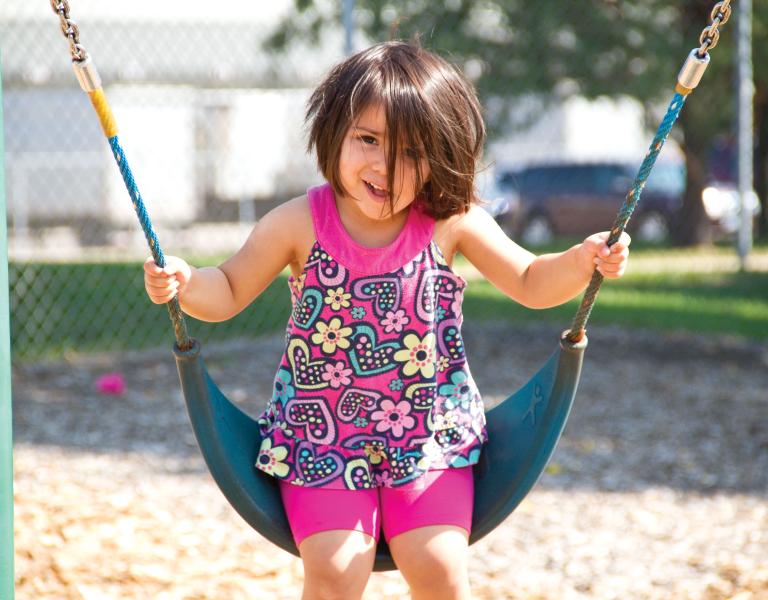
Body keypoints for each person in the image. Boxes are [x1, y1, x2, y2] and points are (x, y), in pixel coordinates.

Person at [144, 41, 630, 600]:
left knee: (440, 568)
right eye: (367, 139)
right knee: (335, 568)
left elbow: (529, 280)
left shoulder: (452, 220)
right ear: (335, 133)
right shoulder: (299, 222)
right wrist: (185, 282)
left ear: (441, 155)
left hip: (428, 436)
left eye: (409, 151)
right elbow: (227, 289)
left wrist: (581, 260)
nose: (383, 165)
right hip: (321, 437)